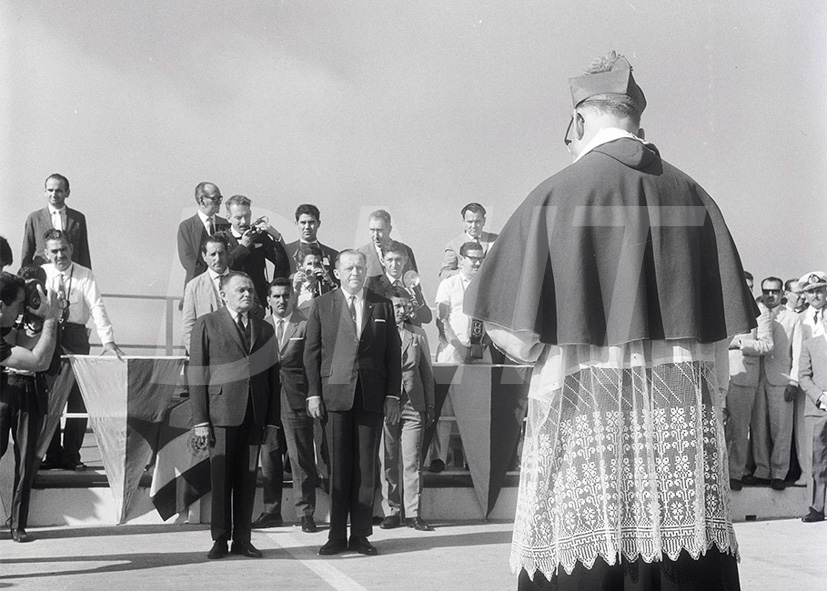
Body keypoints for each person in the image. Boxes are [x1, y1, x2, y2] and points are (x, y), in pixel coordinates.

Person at [465, 51, 755, 589]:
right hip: (677, 451)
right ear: (636, 119)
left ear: (578, 120)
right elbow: (719, 345)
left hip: (586, 437)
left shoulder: (555, 194)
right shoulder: (692, 195)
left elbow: (512, 334)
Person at [304, 250, 402, 556]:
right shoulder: (322, 305)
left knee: (365, 468)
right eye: (349, 268)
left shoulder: (381, 304)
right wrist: (313, 393)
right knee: (338, 469)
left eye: (360, 267)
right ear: (337, 273)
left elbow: (392, 354)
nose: (355, 273)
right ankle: (336, 536)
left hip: (370, 397)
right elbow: (311, 353)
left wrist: (392, 395)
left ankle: (360, 535)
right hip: (334, 397)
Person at [189, 272, 281, 559]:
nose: (248, 294)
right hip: (221, 414)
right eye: (241, 289)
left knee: (247, 479)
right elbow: (197, 375)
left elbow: (272, 378)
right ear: (223, 292)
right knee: (221, 480)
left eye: (251, 290)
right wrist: (200, 420)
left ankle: (243, 539)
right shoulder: (207, 324)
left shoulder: (264, 330)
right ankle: (220, 539)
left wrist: (271, 421)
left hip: (254, 415)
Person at [40, 229, 123, 471]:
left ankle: (71, 456)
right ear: (46, 253)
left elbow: (97, 307)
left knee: (78, 397)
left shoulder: (85, 275)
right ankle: (52, 454)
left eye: (63, 249)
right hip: (49, 334)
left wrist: (108, 341)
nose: (60, 255)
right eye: (54, 251)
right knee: (50, 396)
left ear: (71, 249)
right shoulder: (43, 274)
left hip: (76, 336)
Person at [252, 278, 318, 533]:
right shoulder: (261, 326)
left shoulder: (305, 323)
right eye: (276, 296)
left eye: (285, 295)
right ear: (268, 300)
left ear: (293, 297)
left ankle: (306, 513)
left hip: (296, 399)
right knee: (269, 457)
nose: (281, 300)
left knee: (300, 456)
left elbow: (313, 362)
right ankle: (271, 511)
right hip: (268, 403)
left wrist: (313, 395)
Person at [0, 270, 60, 543]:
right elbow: (34, 358)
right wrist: (49, 318)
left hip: (30, 391)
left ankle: (17, 524)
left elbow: (48, 362)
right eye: (25, 301)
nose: (31, 304)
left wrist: (45, 320)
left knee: (26, 461)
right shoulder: (9, 328)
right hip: (6, 389)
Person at [428, 241, 494, 473]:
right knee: (445, 408)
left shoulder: (489, 285)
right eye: (472, 258)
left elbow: (494, 321)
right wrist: (460, 347)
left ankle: (472, 460)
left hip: (481, 354)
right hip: (452, 352)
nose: (476, 263)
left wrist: (482, 345)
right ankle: (440, 457)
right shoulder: (448, 284)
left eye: (480, 259)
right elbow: (442, 320)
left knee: (477, 409)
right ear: (462, 259)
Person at [379, 287, 435, 532]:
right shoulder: (378, 333)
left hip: (413, 405)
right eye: (396, 306)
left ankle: (412, 512)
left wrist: (430, 404)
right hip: (387, 406)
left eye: (404, 306)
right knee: (388, 460)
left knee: (412, 460)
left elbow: (426, 373)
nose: (401, 311)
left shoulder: (418, 334)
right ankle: (391, 510)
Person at [748, 276, 801, 490]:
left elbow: (797, 352)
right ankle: (762, 470)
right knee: (759, 426)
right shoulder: (755, 313)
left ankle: (779, 472)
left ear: (782, 293)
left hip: (781, 379)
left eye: (775, 291)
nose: (770, 295)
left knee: (781, 428)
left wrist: (794, 381)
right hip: (757, 377)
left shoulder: (792, 318)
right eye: (766, 291)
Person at [726, 273, 773, 490]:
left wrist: (739, 343)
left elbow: (767, 345)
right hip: (722, 374)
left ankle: (735, 473)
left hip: (745, 377)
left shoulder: (760, 312)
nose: (748, 291)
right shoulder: (723, 305)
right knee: (718, 427)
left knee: (739, 428)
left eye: (751, 287)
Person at [223, 195, 290, 306]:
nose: (244, 222)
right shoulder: (222, 239)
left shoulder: (259, 236)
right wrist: (243, 247)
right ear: (228, 218)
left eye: (247, 216)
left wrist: (275, 236)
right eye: (238, 218)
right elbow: (226, 266)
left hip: (258, 300)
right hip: (232, 301)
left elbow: (282, 262)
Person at [794, 272, 827, 490]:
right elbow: (797, 358)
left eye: (819, 290)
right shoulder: (801, 320)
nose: (816, 295)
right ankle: (815, 503)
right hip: (809, 393)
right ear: (804, 295)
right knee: (813, 449)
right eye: (811, 291)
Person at [21, 173, 92, 269]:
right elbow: (27, 252)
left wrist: (87, 275)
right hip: (42, 274)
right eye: (50, 190)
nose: (54, 194)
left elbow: (83, 252)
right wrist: (24, 277)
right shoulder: (34, 218)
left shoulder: (78, 218)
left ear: (67, 193)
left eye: (58, 191)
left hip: (71, 274)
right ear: (45, 192)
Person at [176, 182, 230, 294]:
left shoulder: (226, 225)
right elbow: (188, 261)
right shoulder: (187, 227)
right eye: (215, 198)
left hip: (225, 287)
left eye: (220, 198)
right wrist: (212, 276)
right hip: (198, 287)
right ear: (202, 200)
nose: (219, 202)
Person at [181, 234, 230, 355]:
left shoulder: (242, 280)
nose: (218, 259)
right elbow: (188, 326)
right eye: (213, 254)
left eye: (221, 253)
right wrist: (198, 356)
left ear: (227, 253)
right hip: (209, 354)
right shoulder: (193, 286)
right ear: (204, 256)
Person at [366, 240, 432, 326]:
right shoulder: (373, 283)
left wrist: (415, 307)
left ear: (405, 260)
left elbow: (427, 318)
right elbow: (367, 314)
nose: (394, 264)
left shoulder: (411, 283)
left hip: (408, 335)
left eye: (398, 259)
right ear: (382, 261)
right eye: (390, 260)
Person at [439, 203, 498, 279]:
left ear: (484, 221)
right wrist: (466, 273)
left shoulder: (496, 240)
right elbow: (444, 274)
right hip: (467, 288)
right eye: (470, 222)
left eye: (477, 221)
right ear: (463, 222)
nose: (473, 226)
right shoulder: (454, 245)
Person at [357, 210, 418, 279]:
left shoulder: (406, 251)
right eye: (372, 230)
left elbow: (414, 284)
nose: (375, 236)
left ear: (389, 229)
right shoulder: (361, 253)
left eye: (380, 230)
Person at [284, 204, 339, 280]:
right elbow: (278, 282)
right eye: (303, 222)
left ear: (318, 224)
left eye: (311, 222)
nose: (307, 227)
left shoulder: (333, 255)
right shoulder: (286, 252)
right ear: (296, 224)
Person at [292, 243, 338, 313]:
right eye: (309, 264)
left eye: (317, 264)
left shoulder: (325, 284)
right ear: (300, 266)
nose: (313, 267)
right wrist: (294, 287)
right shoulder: (294, 284)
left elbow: (338, 305)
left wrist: (330, 283)